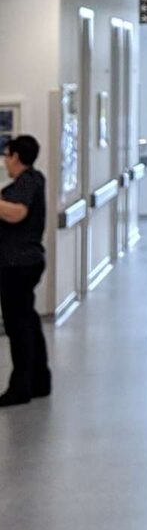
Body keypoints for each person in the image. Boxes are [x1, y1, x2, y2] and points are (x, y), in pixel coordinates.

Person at [0, 134, 50, 406]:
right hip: (23, 262)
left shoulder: (28, 182)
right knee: (28, 321)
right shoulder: (32, 180)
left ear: (16, 157)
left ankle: (21, 387)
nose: (5, 162)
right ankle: (39, 380)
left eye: (7, 156)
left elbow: (16, 213)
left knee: (18, 326)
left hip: (18, 265)